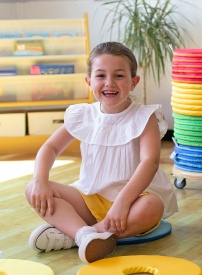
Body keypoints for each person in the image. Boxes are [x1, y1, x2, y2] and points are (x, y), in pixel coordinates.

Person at [25, 41, 178, 263]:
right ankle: (85, 235)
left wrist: (123, 203)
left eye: (118, 76)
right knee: (33, 189)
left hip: (133, 202)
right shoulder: (82, 115)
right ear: (89, 81)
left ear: (134, 82)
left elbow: (150, 162)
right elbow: (50, 147)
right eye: (100, 76)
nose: (109, 83)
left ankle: (76, 235)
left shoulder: (145, 117)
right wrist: (40, 179)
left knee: (152, 207)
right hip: (89, 199)